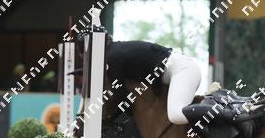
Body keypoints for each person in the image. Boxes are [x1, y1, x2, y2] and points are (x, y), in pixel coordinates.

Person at [105, 40, 244, 131]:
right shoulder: (116, 50)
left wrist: (112, 117)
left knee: (176, 115)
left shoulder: (112, 57)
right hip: (180, 70)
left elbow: (119, 91)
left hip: (182, 70)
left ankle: (230, 112)